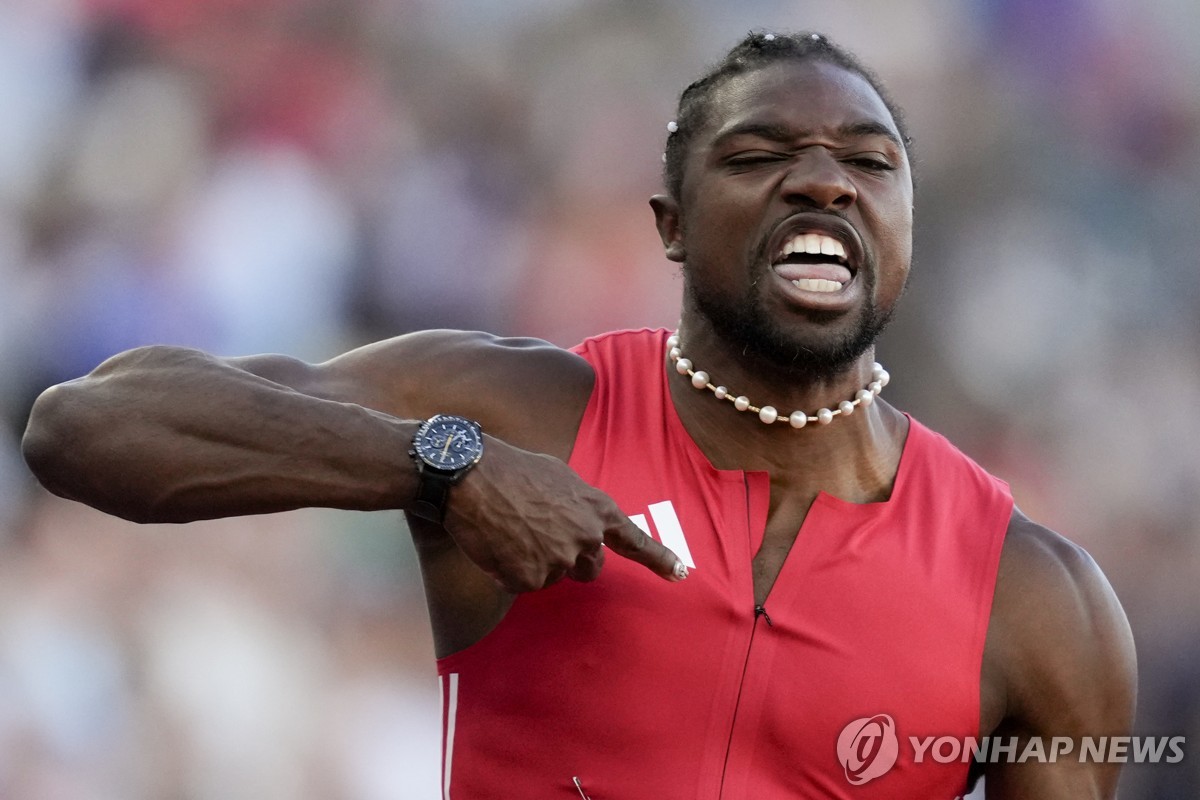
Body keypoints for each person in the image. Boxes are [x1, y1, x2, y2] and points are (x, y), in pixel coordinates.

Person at [21, 31, 1135, 799]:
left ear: (904, 226)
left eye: (867, 164)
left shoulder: (1038, 598)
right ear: (668, 223)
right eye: (759, 157)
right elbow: (88, 424)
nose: (824, 184)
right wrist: (439, 469)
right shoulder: (523, 409)